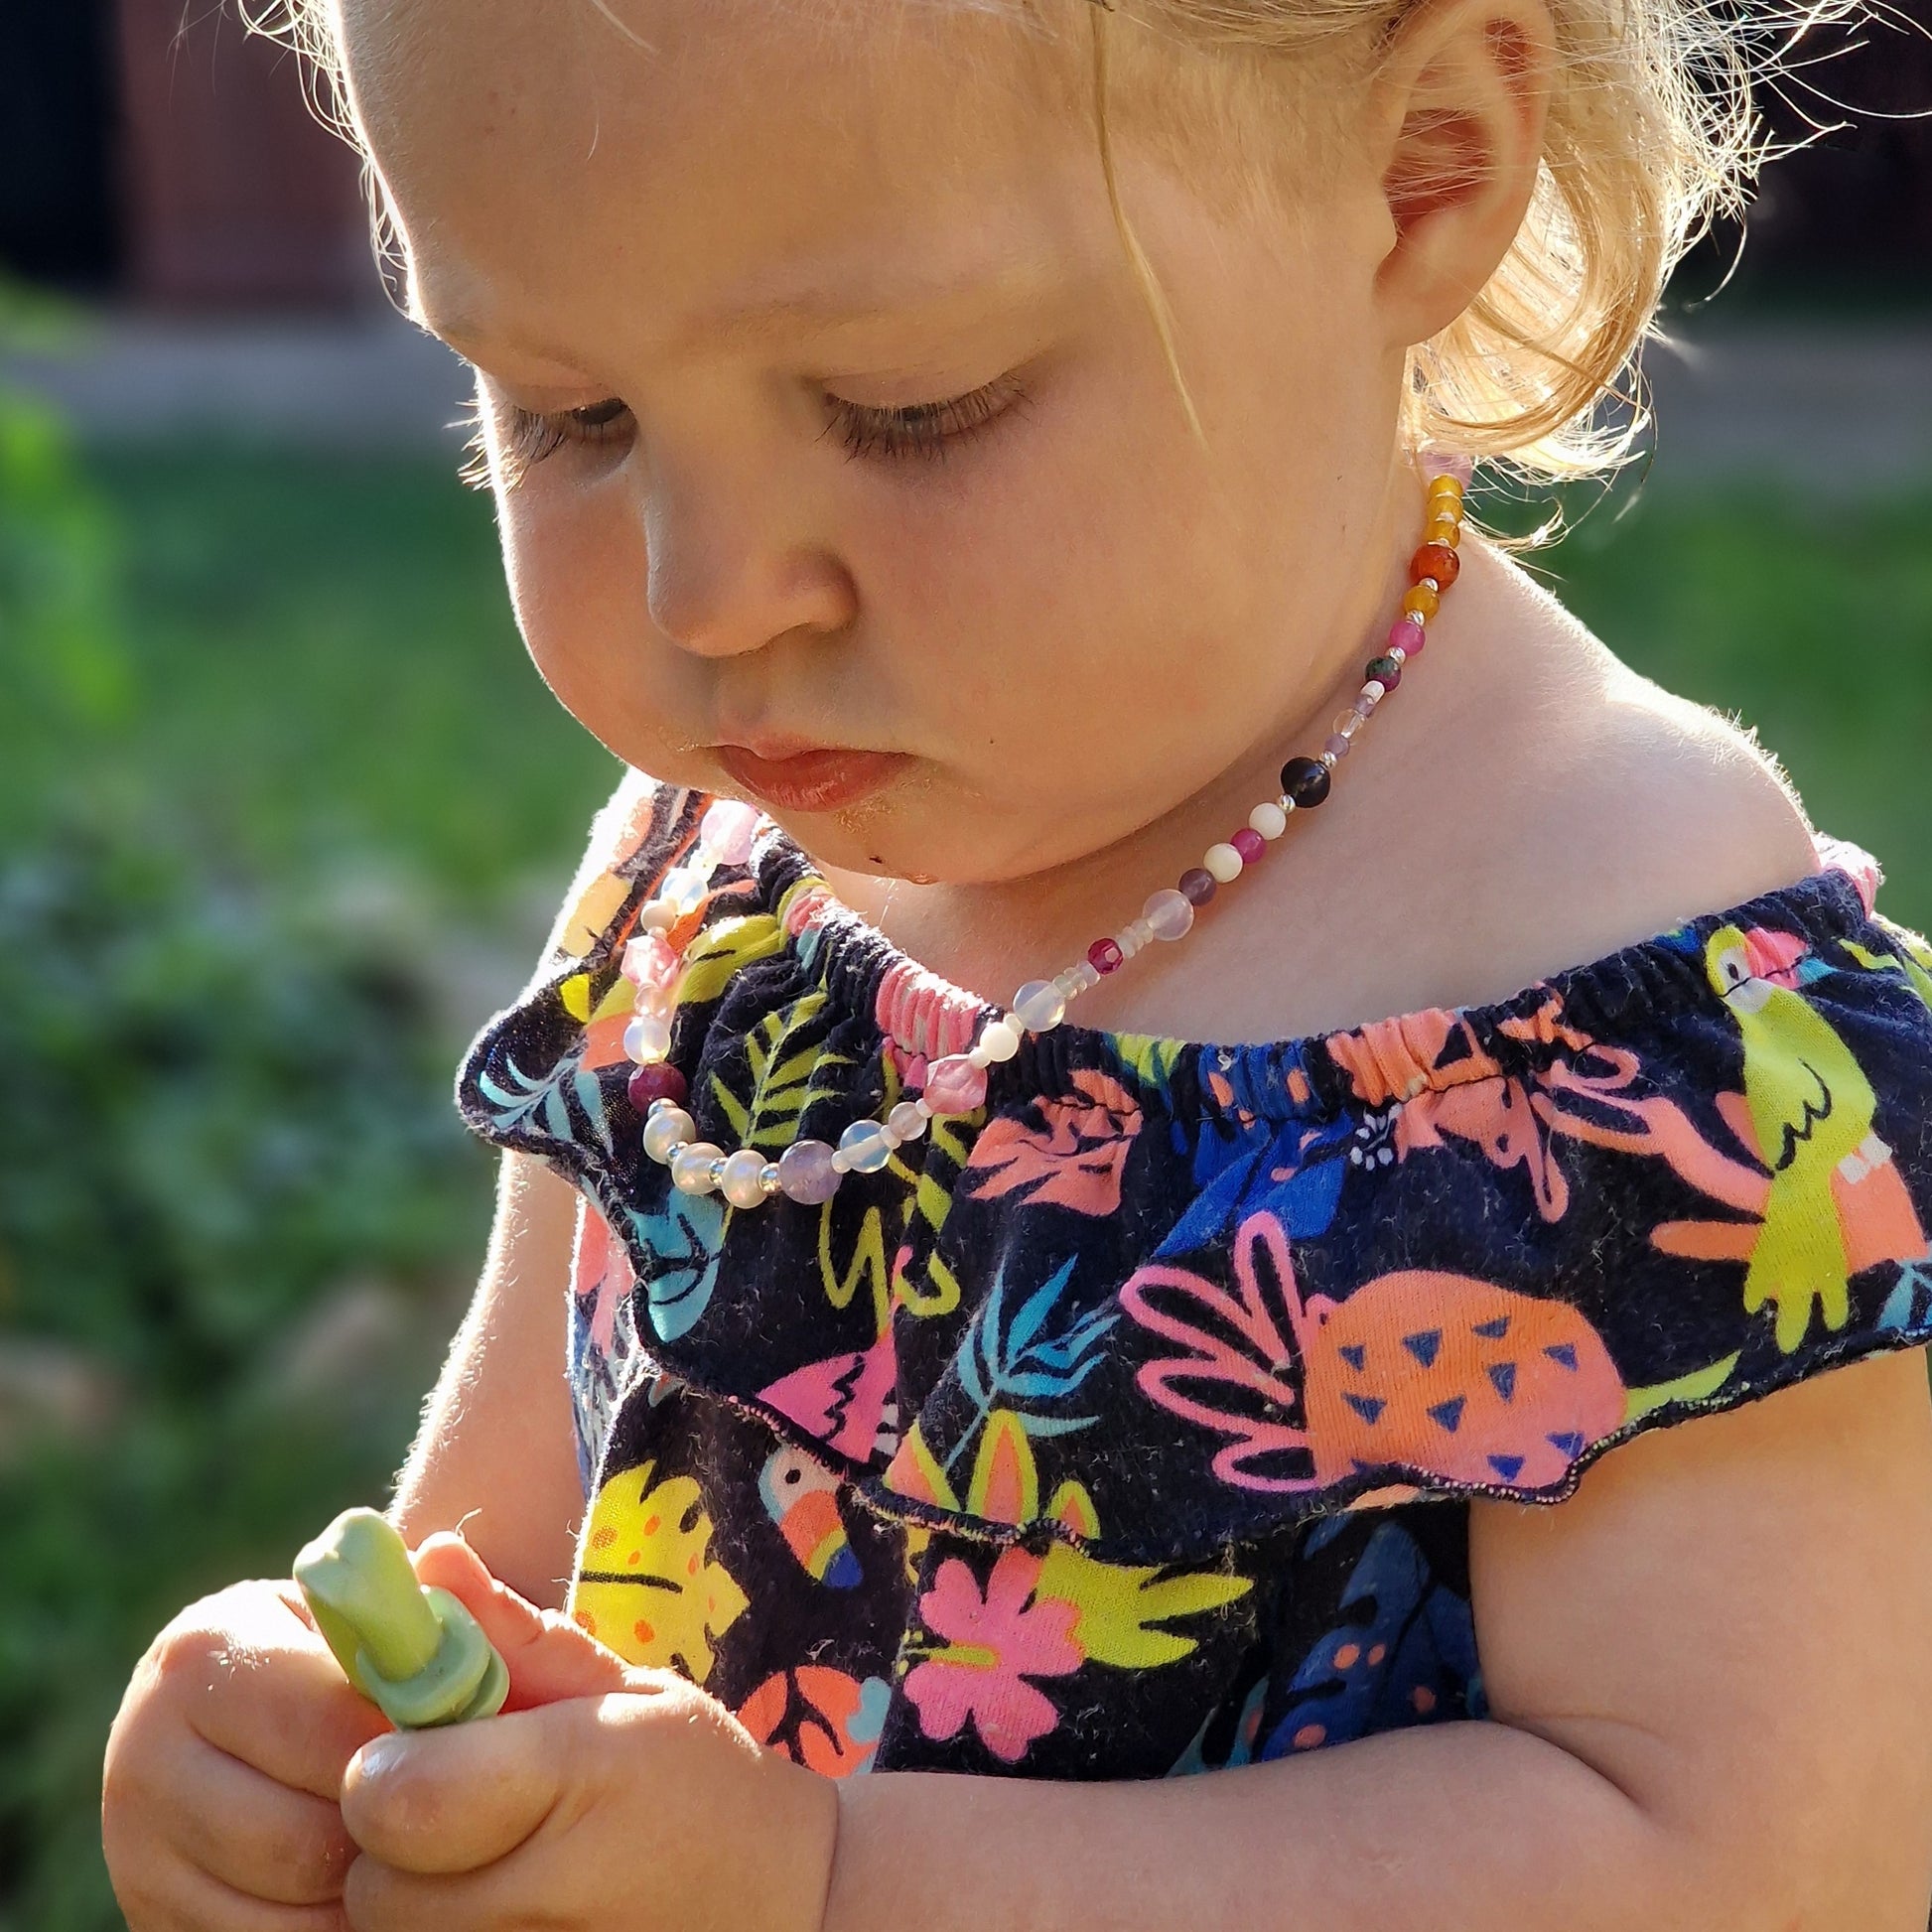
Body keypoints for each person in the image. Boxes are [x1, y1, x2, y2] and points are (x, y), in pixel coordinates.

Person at [100, 0, 1932, 1924]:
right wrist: (333, 1749)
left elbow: (1758, 1860)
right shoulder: (718, 893)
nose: (705, 592)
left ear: (1416, 179)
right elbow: (501, 1566)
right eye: (571, 410)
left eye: (907, 406)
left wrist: (827, 1881)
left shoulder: (1612, 998)